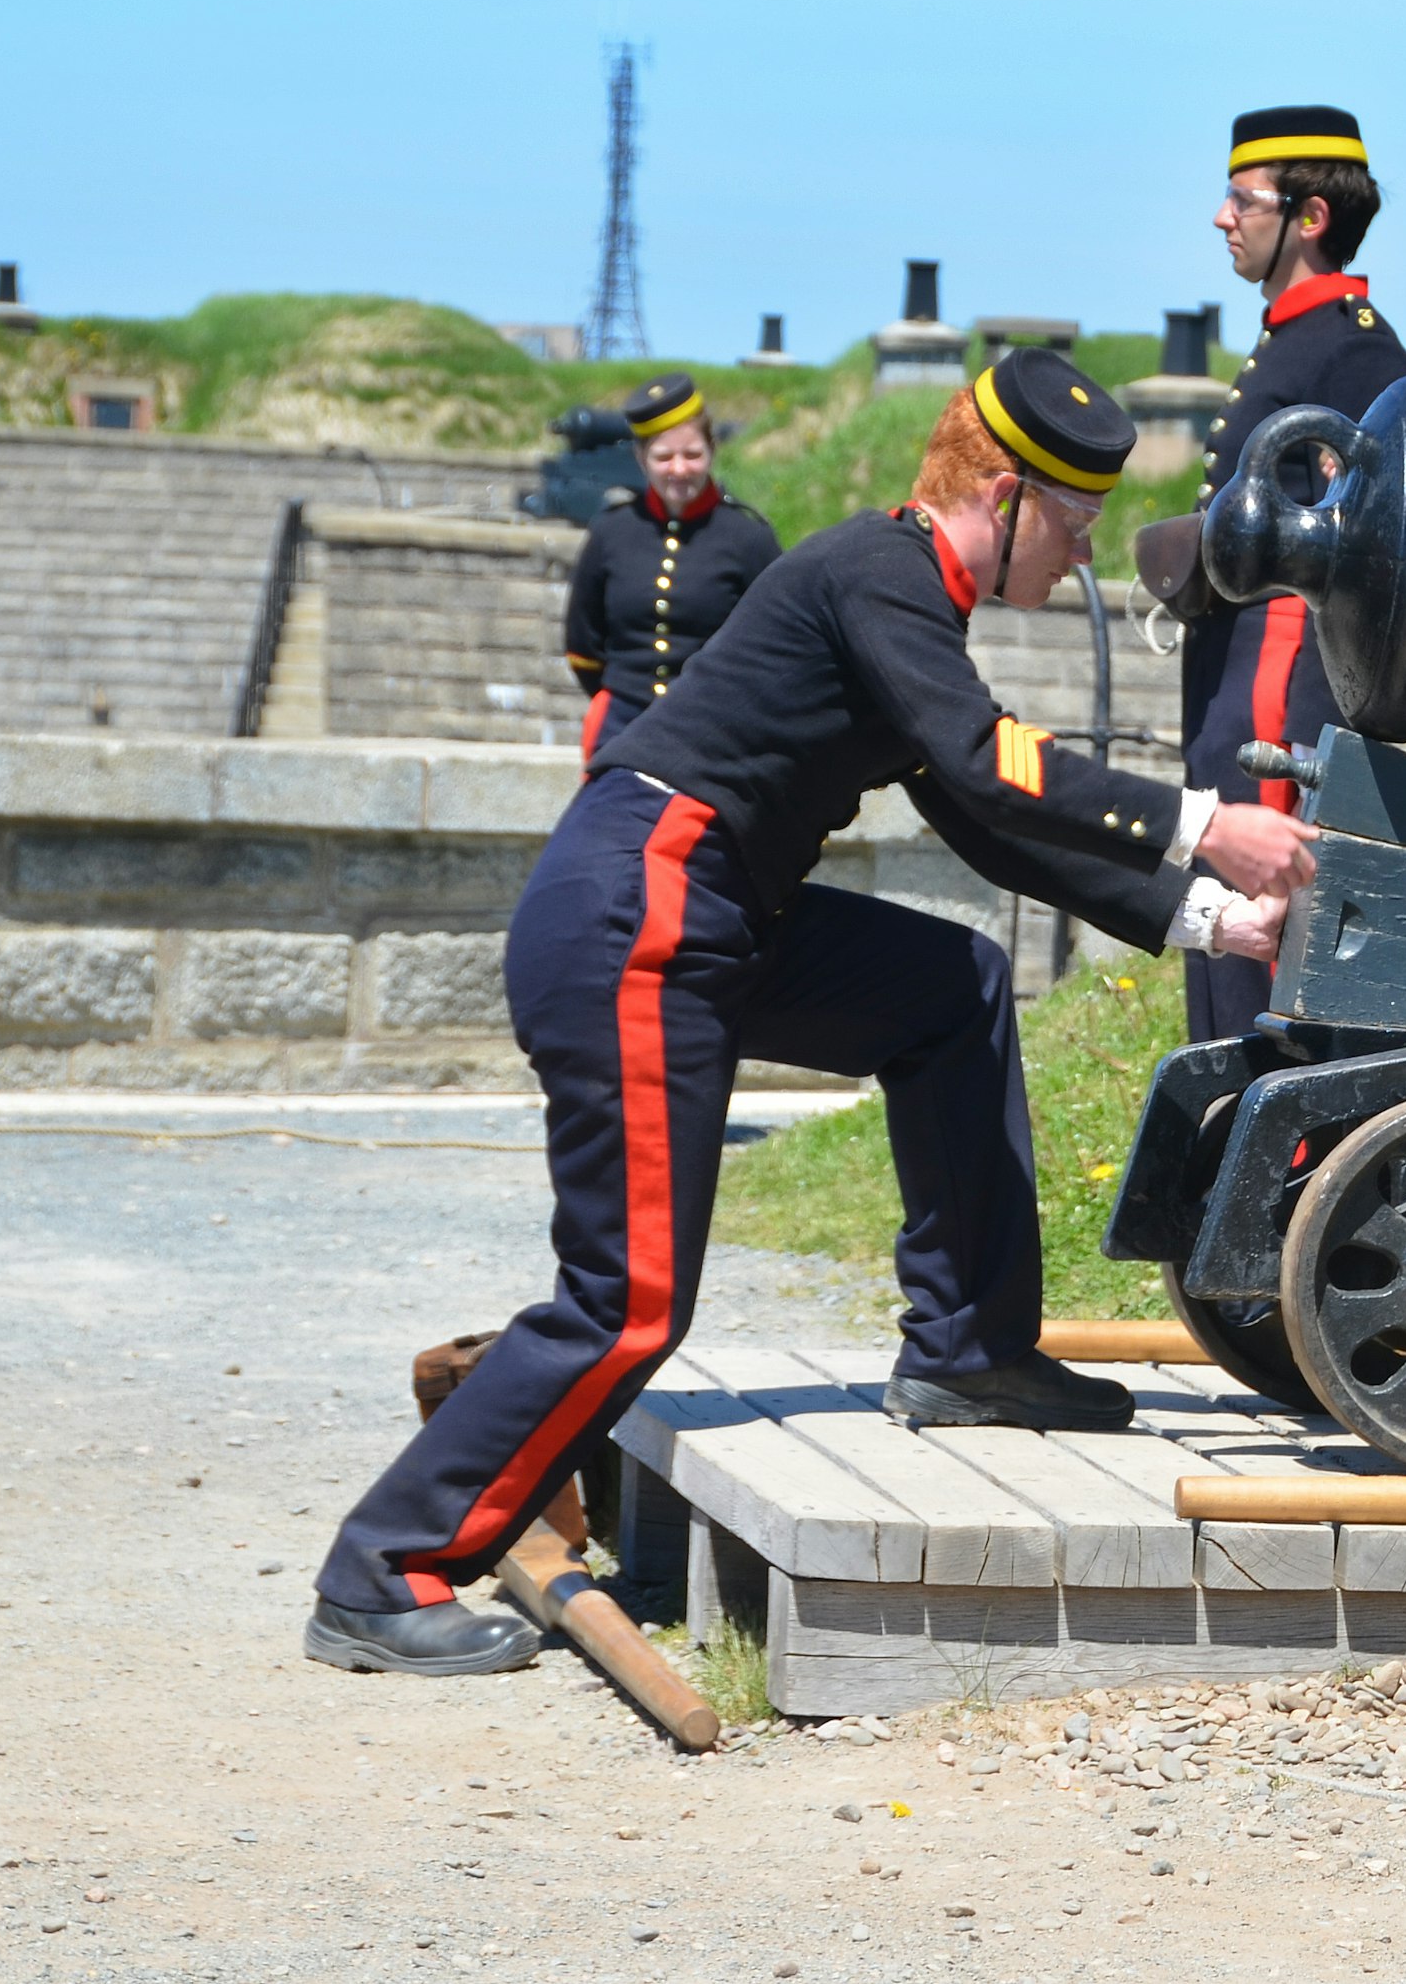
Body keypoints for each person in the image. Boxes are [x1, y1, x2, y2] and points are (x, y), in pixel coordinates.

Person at [304, 351, 1322, 1677]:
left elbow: (994, 820)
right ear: (1004, 492)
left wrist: (1206, 917)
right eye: (1070, 522)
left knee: (946, 987)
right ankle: (384, 1565)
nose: (1076, 558)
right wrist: (1203, 820)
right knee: (630, 1297)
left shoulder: (907, 603)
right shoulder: (883, 570)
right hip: (647, 906)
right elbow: (985, 756)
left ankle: (970, 1351)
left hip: (711, 904)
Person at [1179, 106, 1406, 1045]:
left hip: (1278, 682)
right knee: (1226, 959)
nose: (1222, 217)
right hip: (1237, 671)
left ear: (1308, 218)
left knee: (1261, 957)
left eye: (1242, 199)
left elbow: (1363, 551)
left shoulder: (1352, 349)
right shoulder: (1297, 339)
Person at [561, 371, 781, 761]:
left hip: (714, 730)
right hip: (621, 728)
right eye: (663, 457)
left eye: (692, 454)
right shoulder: (611, 531)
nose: (679, 469)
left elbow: (773, 647)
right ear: (640, 458)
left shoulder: (749, 539)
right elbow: (584, 648)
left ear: (712, 450)